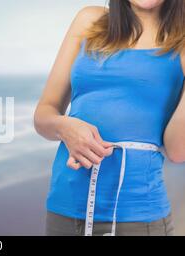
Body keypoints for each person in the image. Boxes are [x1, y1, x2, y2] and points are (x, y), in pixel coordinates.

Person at [34, 0, 185, 236]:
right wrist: (65, 127)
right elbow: (44, 115)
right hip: (64, 209)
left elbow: (177, 152)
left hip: (138, 217)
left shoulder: (182, 42)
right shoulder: (89, 20)